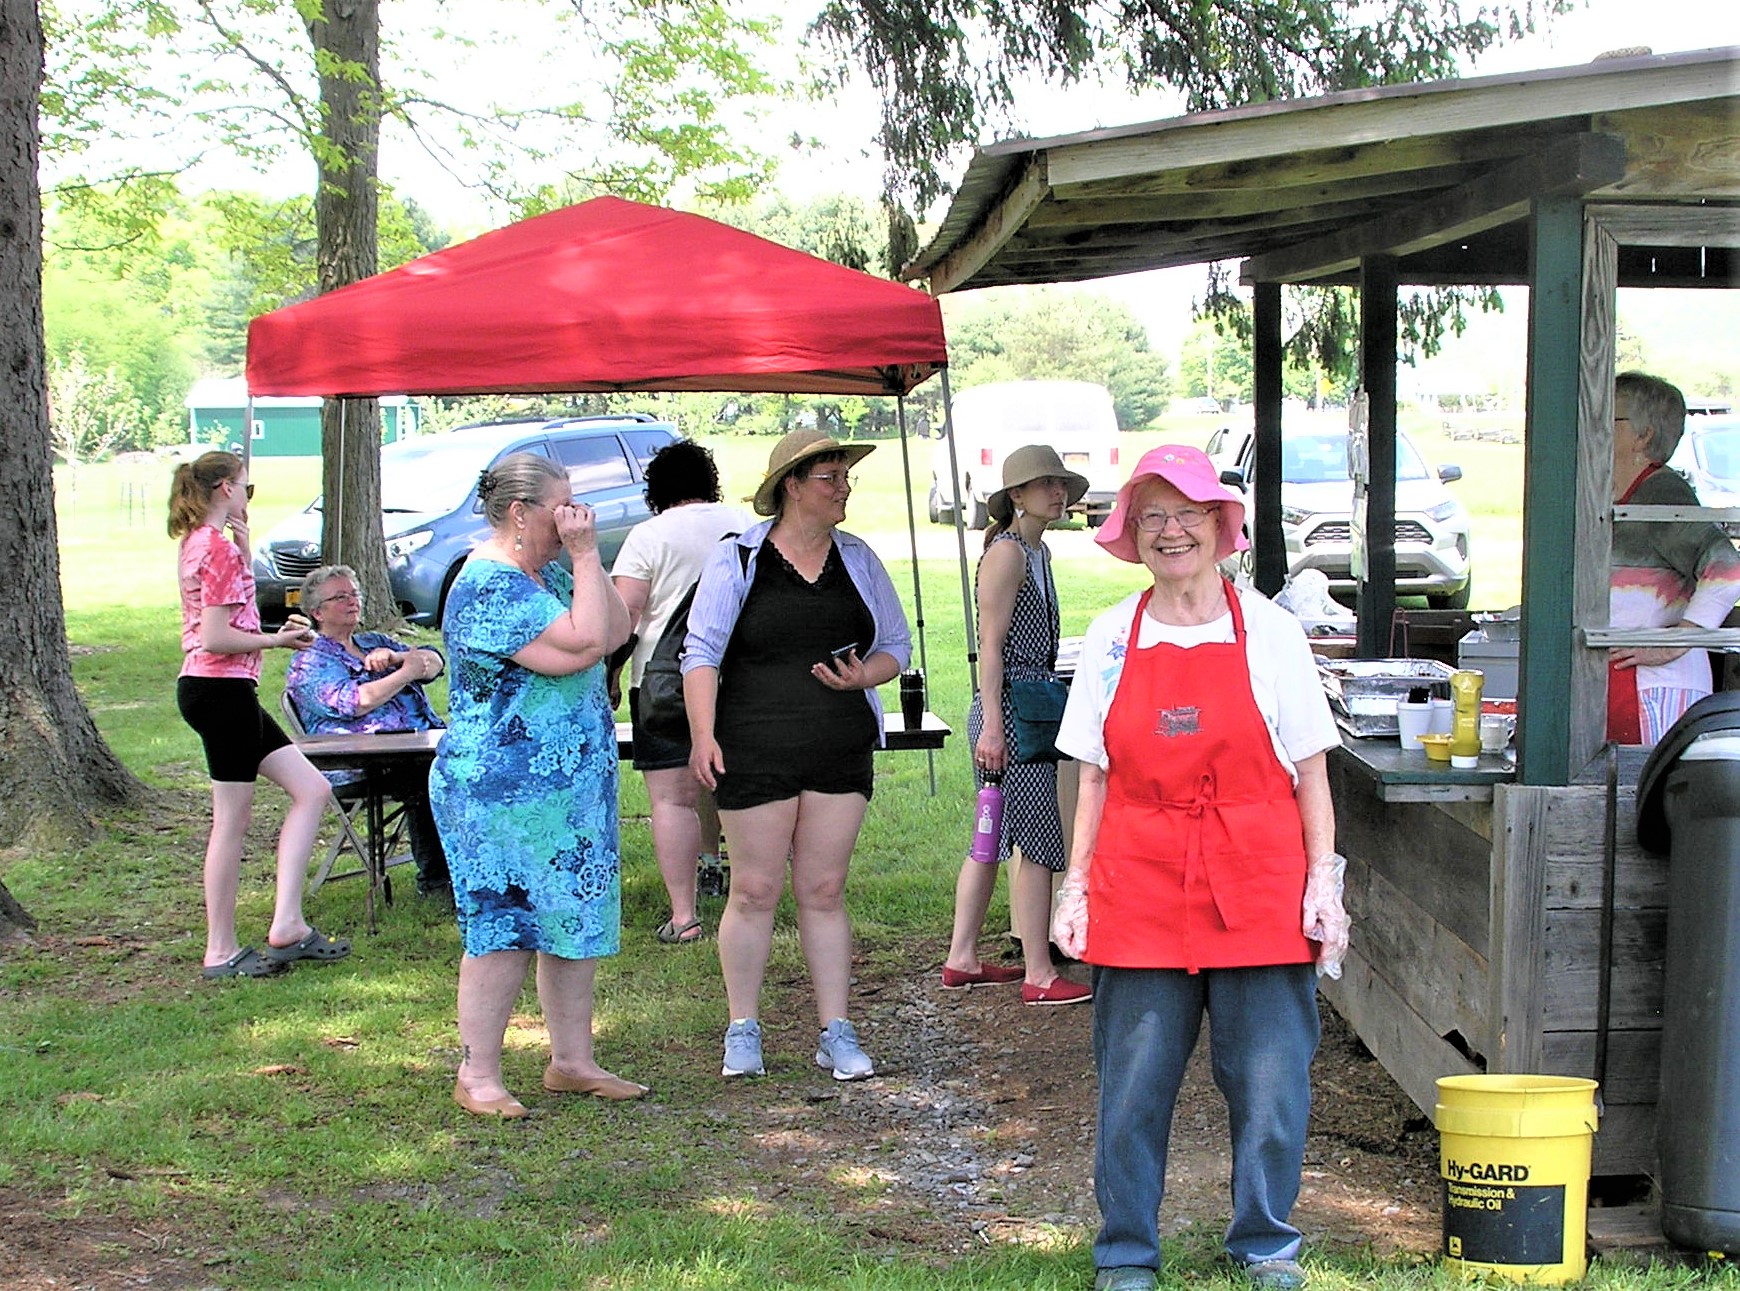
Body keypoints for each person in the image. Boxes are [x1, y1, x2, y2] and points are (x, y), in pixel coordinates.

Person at [1047, 445, 1350, 1291]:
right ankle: (1126, 1252)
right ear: (1132, 534)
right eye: (1152, 516)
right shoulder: (1113, 637)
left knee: (1270, 1084)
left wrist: (1320, 877)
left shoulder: (1275, 633)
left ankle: (1264, 1242)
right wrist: (1076, 884)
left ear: (1223, 528)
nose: (1171, 531)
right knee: (1133, 1084)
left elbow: (1312, 766)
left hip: (1256, 879)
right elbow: (1094, 774)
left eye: (1188, 514)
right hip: (1139, 879)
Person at [683, 429, 913, 1081]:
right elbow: (700, 653)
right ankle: (742, 1028)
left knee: (824, 887)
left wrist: (866, 677)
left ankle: (836, 1030)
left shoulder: (860, 559)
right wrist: (704, 735)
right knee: (754, 888)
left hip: (838, 746)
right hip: (754, 745)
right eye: (830, 477)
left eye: (845, 477)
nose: (843, 488)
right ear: (792, 484)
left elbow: (896, 643)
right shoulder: (739, 559)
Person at [429, 453, 646, 1118]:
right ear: (521, 513)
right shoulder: (489, 584)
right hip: (498, 793)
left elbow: (616, 630)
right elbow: (580, 645)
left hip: (568, 790)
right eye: (561, 505)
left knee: (572, 918)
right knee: (504, 926)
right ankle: (479, 1074)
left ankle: (572, 1061)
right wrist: (584, 555)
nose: (573, 516)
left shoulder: (546, 570)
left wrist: (585, 559)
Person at [169, 451, 352, 980]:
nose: (248, 499)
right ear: (225, 489)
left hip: (223, 692)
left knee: (312, 789)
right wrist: (280, 639)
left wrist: (245, 543)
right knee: (230, 822)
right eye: (246, 490)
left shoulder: (200, 544)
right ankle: (220, 949)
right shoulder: (215, 550)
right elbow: (216, 637)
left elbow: (226, 605)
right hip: (218, 690)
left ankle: (288, 924)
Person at [943, 444, 1093, 1005]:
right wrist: (992, 725)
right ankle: (1039, 972)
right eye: (1045, 484)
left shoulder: (1040, 552)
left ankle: (962, 957)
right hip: (1010, 709)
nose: (1057, 492)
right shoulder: (1007, 554)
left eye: (1060, 483)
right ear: (1016, 497)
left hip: (1027, 702)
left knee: (990, 834)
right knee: (1034, 836)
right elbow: (990, 646)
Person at [610, 441, 752, 945]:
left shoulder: (648, 535)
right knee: (735, 786)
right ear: (708, 481)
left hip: (663, 683)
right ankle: (738, 885)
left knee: (672, 800)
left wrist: (608, 674)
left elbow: (623, 619)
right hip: (743, 679)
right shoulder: (744, 525)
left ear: (657, 488)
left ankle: (684, 915)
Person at [284, 564, 451, 898]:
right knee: (430, 774)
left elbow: (435, 662)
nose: (352, 601)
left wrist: (398, 658)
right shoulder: (310, 662)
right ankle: (436, 881)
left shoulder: (374, 641)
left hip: (420, 744)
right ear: (317, 611)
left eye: (355, 594)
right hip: (362, 763)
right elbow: (355, 702)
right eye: (340, 596)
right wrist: (405, 672)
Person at [1607, 371, 1740, 745]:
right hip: (1627, 682)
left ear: (1643, 435)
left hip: (1654, 688)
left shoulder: (1661, 496)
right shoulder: (1628, 496)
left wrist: (1676, 641)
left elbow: (1728, 569)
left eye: (1606, 417)